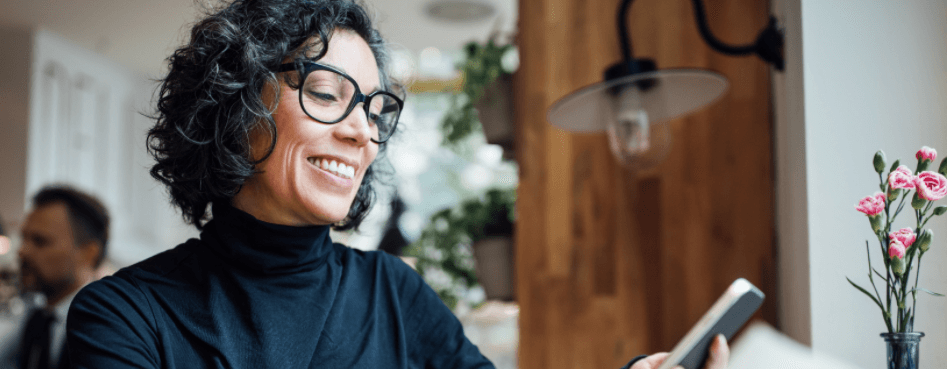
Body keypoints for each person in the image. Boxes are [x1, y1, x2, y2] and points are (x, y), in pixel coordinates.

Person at [65, 1, 729, 368]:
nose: (363, 133)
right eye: (327, 93)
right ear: (236, 113)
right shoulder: (124, 317)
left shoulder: (394, 293)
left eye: (375, 108)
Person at [4, 186, 109, 369]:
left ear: (88, 253)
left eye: (40, 241)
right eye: (24, 238)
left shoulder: (106, 328)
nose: (22, 251)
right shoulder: (37, 319)